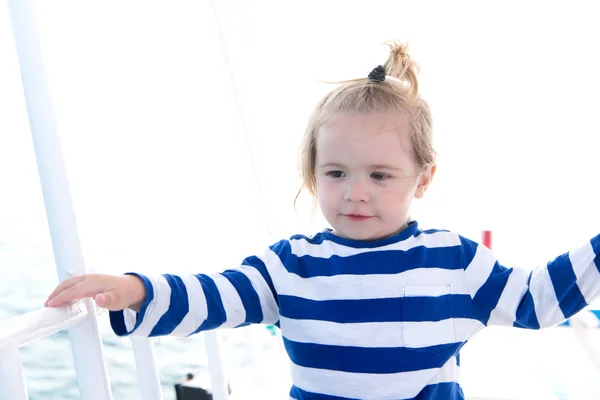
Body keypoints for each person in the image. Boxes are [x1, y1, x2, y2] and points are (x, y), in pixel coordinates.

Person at [45, 41, 600, 400]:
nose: (355, 193)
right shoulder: (291, 266)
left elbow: (538, 299)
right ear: (314, 172)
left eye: (380, 176)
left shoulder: (455, 261)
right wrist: (136, 290)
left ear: (422, 179)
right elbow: (215, 295)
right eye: (336, 173)